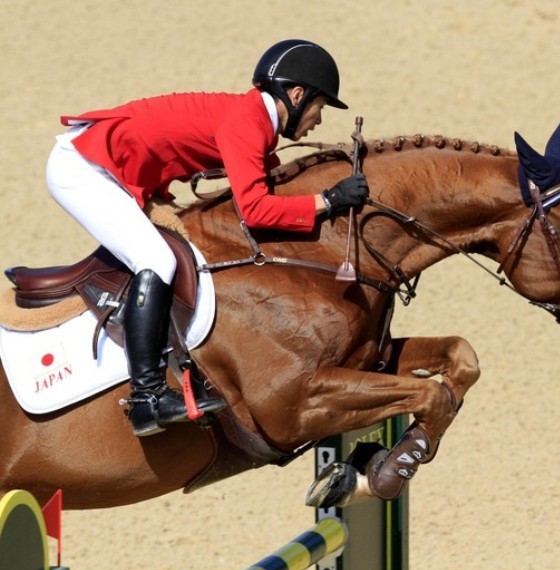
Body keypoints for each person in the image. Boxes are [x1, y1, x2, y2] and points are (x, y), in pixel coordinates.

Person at [46, 39, 369, 438]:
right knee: (157, 260)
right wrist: (328, 200)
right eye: (320, 108)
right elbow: (255, 210)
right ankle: (147, 399)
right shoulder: (247, 123)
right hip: (83, 170)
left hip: (109, 170)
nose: (317, 120)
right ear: (297, 94)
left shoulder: (254, 121)